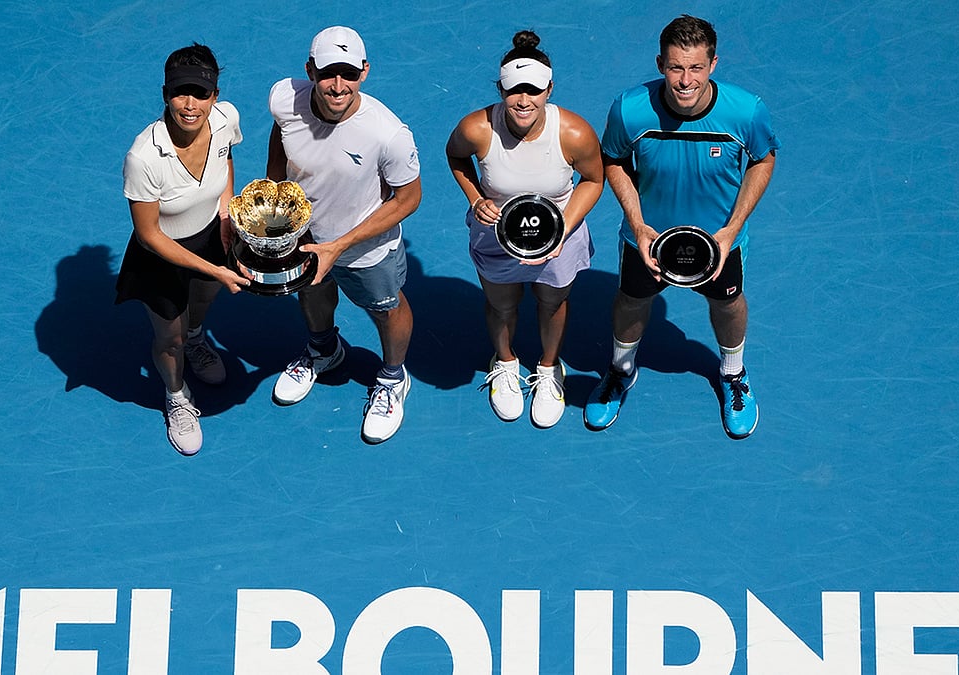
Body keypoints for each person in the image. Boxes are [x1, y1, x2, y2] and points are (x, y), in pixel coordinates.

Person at [585, 15, 779, 439]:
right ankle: (620, 370)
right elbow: (613, 160)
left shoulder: (746, 111)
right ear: (660, 64)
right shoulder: (630, 109)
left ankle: (733, 373)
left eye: (695, 68)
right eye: (675, 67)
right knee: (631, 301)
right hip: (648, 239)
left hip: (719, 242)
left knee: (728, 304)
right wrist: (638, 224)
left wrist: (732, 229)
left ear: (713, 64)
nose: (685, 80)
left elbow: (763, 159)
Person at [266, 26, 422, 444]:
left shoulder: (388, 134)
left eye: (349, 74)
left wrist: (337, 246)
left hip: (365, 248)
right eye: (328, 74)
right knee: (312, 294)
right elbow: (281, 135)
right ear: (310, 71)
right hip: (304, 235)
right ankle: (324, 351)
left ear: (364, 72)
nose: (338, 86)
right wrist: (275, 193)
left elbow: (408, 199)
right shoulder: (284, 99)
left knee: (386, 309)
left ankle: (393, 379)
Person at [446, 30, 604, 428]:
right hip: (496, 236)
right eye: (514, 90)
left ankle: (549, 368)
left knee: (552, 303)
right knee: (501, 305)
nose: (523, 100)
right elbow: (456, 157)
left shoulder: (574, 133)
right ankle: (505, 361)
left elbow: (593, 180)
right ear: (501, 89)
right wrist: (476, 199)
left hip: (559, 236)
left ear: (549, 89)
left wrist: (563, 229)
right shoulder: (476, 129)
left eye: (533, 90)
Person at [115, 43, 250, 456]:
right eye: (180, 93)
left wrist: (226, 210)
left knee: (202, 303)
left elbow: (226, 159)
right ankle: (176, 396)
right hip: (161, 255)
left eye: (201, 93)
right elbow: (149, 236)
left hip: (211, 235)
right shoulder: (143, 157)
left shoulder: (226, 120)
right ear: (165, 94)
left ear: (215, 95)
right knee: (168, 337)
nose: (190, 105)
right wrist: (218, 270)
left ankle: (196, 339)